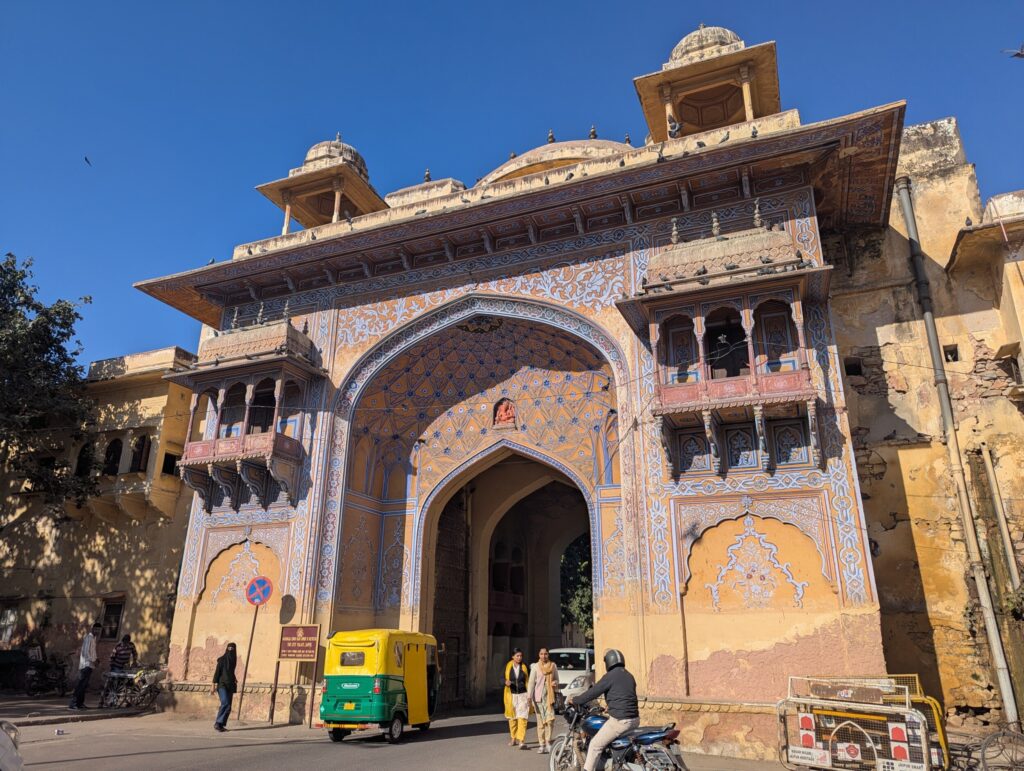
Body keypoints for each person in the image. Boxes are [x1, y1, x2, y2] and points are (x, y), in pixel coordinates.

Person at [569, 649, 640, 771]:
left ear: (608, 662)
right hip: (634, 719)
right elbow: (625, 695)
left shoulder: (610, 676)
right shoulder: (629, 675)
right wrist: (611, 706)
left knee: (595, 745)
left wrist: (575, 700)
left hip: (620, 721)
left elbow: (592, 693)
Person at [527, 647, 558, 754]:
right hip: (538, 698)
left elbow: (557, 679)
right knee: (540, 722)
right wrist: (529, 697)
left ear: (548, 655)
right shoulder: (535, 667)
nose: (543, 656)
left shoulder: (553, 666)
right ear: (539, 655)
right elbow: (531, 683)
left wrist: (555, 683)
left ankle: (548, 741)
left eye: (545, 654)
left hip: (549, 697)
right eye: (541, 654)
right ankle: (541, 744)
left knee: (550, 721)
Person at [68, 622, 101, 710]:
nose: (97, 631)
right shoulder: (89, 638)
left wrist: (96, 659)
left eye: (99, 630)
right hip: (86, 665)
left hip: (90, 665)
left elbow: (92, 652)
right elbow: (86, 653)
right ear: (93, 629)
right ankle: (73, 704)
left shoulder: (93, 639)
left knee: (84, 686)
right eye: (96, 629)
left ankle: (80, 703)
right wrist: (94, 660)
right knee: (80, 685)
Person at [502, 648, 530, 749]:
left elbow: (529, 680)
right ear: (513, 657)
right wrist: (505, 681)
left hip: (523, 695)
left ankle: (521, 740)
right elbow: (501, 678)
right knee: (512, 718)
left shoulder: (525, 667)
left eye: (521, 656)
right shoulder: (508, 666)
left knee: (522, 717)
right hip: (511, 695)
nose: (519, 658)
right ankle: (513, 737)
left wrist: (530, 694)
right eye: (517, 656)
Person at [211, 642, 237, 732]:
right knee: (225, 703)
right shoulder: (222, 660)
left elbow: (230, 672)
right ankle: (217, 723)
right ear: (226, 649)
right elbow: (217, 673)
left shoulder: (233, 660)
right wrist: (213, 686)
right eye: (229, 649)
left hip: (230, 685)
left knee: (228, 706)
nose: (230, 651)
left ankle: (221, 725)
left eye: (232, 649)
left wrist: (234, 678)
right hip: (222, 685)